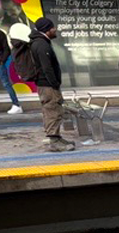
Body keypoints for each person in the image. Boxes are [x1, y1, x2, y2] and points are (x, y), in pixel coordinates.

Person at [29, 18, 72, 152]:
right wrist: (54, 83)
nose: (55, 29)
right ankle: (54, 141)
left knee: (54, 110)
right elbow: (47, 67)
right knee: (52, 110)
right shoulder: (41, 45)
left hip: (46, 84)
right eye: (53, 27)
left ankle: (57, 137)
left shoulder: (41, 42)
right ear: (47, 29)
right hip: (47, 85)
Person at [0, 29, 21, 114]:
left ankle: (16, 104)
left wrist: (1, 61)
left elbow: (6, 49)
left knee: (6, 83)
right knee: (6, 83)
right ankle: (16, 105)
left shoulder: (0, 34)